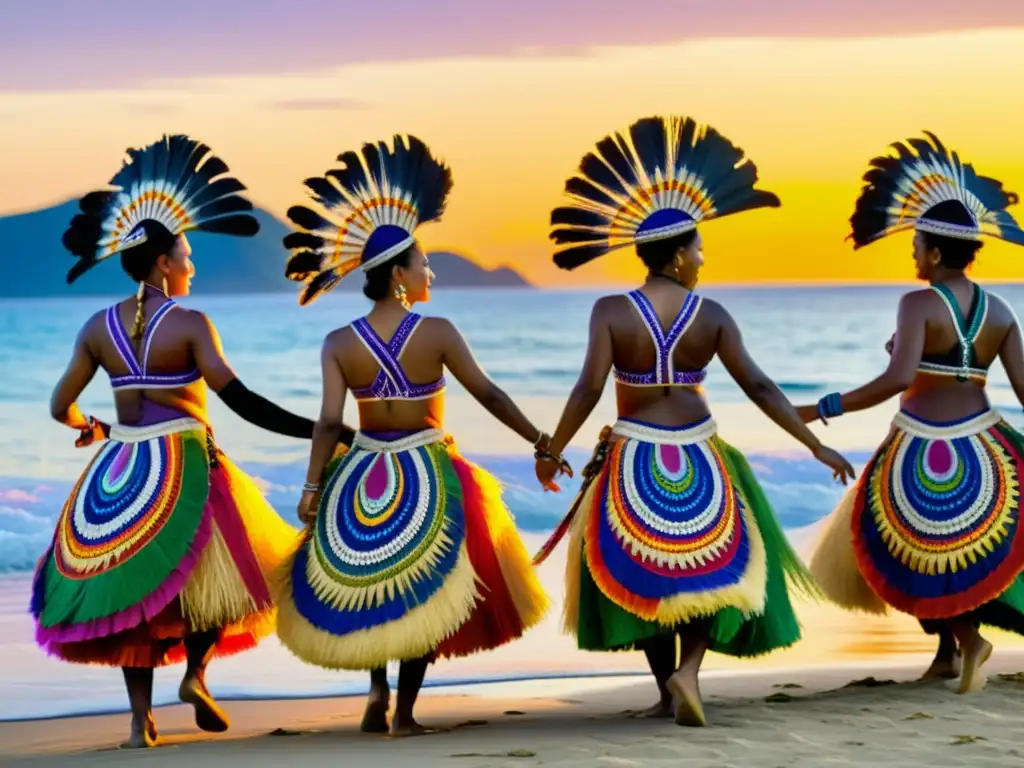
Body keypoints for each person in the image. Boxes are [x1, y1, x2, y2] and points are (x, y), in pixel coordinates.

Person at [31, 134, 354, 749]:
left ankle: (137, 721)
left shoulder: (96, 328)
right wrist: (320, 430)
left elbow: (58, 407)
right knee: (225, 577)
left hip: (122, 466)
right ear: (161, 264)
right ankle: (197, 674)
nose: (192, 265)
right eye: (186, 255)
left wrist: (94, 428)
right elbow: (239, 399)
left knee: (132, 592)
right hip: (186, 463)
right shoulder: (190, 323)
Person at [533, 115, 856, 727]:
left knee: (643, 574)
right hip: (700, 454)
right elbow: (759, 386)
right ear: (679, 255)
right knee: (716, 568)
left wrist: (552, 448)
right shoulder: (711, 315)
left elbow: (587, 387)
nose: (703, 259)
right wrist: (814, 444)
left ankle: (665, 687)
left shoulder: (610, 310)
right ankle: (689, 673)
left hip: (632, 454)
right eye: (699, 249)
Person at [273, 134, 556, 736]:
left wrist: (312, 487)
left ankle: (375, 691)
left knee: (373, 581)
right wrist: (540, 440)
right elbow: (490, 394)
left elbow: (328, 423)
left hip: (363, 469)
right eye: (424, 262)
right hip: (429, 469)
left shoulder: (339, 343)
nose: (430, 271)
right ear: (399, 274)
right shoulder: (440, 331)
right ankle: (404, 711)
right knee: (425, 589)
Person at [802, 131, 1024, 694]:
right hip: (987, 441)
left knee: (904, 547)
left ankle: (968, 642)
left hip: (925, 442)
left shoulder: (917, 304)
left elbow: (898, 379)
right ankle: (948, 654)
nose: (913, 255)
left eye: (917, 245)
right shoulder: (999, 309)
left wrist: (821, 408)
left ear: (937, 251)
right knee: (954, 551)